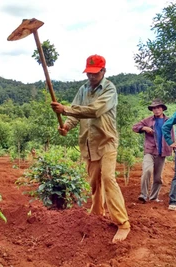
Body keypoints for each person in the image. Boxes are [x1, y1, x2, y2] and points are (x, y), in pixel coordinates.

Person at [50, 54, 130, 243]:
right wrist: (67, 125)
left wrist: (66, 109)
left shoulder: (110, 89)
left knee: (108, 179)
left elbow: (94, 110)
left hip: (106, 142)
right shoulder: (83, 89)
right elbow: (77, 112)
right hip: (88, 143)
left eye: (95, 73)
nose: (91, 77)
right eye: (89, 73)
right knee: (94, 182)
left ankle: (122, 223)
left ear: (103, 71)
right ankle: (97, 215)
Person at [132, 99, 174, 203]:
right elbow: (135, 127)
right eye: (154, 108)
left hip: (162, 152)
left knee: (157, 177)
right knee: (147, 170)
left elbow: (172, 135)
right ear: (152, 110)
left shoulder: (168, 121)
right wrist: (144, 128)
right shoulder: (148, 120)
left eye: (158, 107)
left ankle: (154, 197)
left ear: (162, 109)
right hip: (150, 150)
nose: (156, 110)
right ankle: (143, 194)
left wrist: (173, 147)